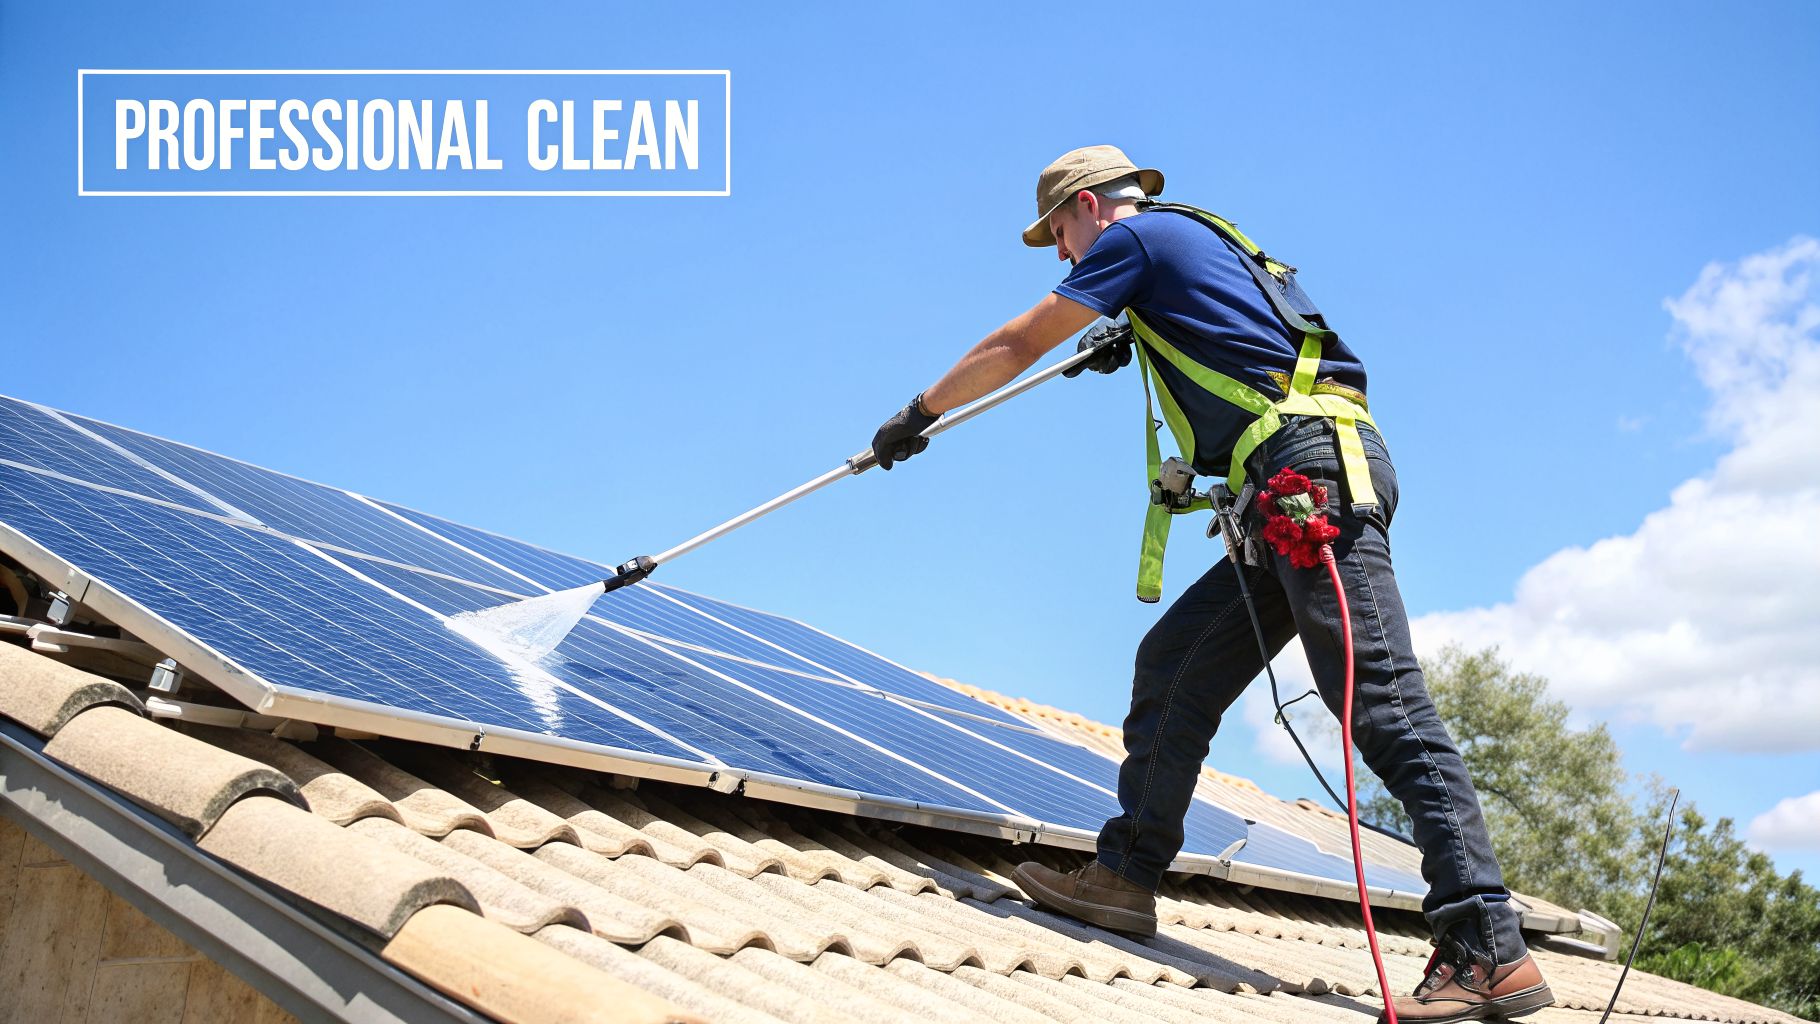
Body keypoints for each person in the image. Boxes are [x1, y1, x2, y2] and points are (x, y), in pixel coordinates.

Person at [869, 145, 1554, 1021]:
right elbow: (1232, 338)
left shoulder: (1139, 239)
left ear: (1086, 206)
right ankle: (1124, 876)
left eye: (1060, 238)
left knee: (1381, 700)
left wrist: (919, 414)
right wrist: (1137, 330)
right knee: (1176, 665)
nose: (1064, 258)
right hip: (1282, 488)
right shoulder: (1199, 245)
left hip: (1311, 477)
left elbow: (1017, 341)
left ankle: (1487, 947)